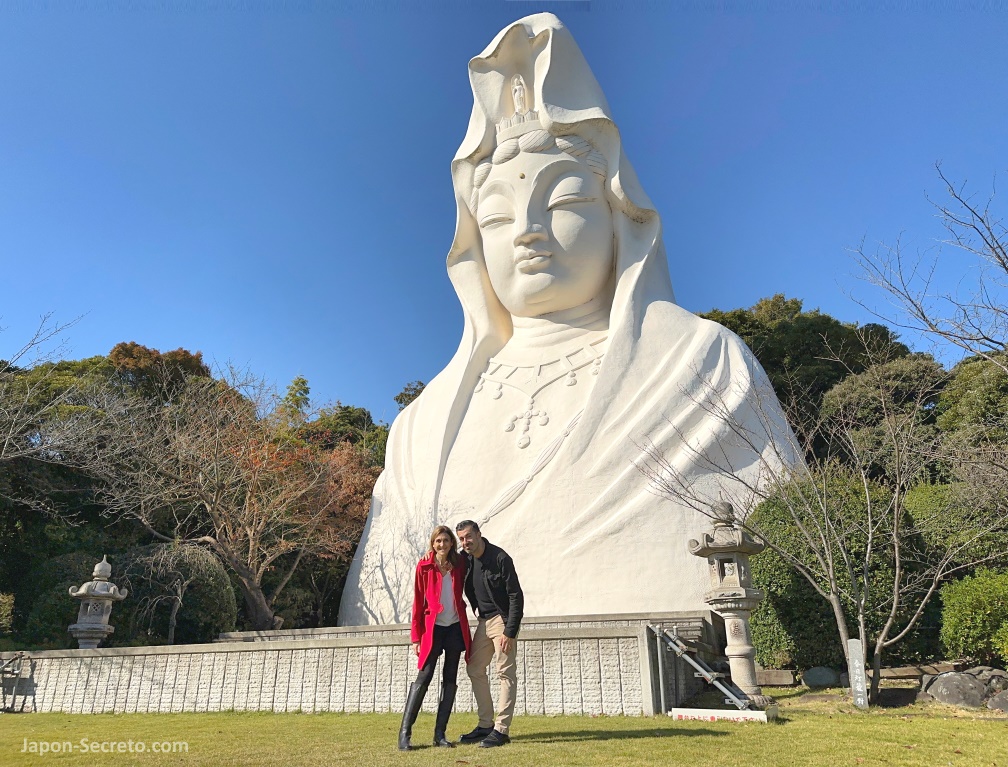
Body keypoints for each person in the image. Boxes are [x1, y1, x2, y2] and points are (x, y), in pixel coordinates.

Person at [338, 13, 794, 628]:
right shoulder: (420, 424)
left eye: (564, 200)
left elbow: (789, 529)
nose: (528, 231)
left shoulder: (702, 362)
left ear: (618, 216)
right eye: (497, 217)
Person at [399, 525, 471, 751]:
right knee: (424, 676)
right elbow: (418, 603)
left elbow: (475, 554)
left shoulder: (459, 564)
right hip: (433, 629)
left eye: (446, 541)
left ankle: (440, 734)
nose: (442, 545)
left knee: (450, 678)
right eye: (438, 541)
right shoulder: (424, 566)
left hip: (454, 628)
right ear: (433, 543)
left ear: (452, 543)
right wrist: (415, 637)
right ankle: (404, 734)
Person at [454, 519, 523, 748]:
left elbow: (515, 596)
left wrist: (510, 632)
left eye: (469, 537)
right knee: (474, 668)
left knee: (505, 672)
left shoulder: (500, 558)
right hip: (483, 621)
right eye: (462, 539)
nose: (465, 542)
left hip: (502, 621)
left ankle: (501, 730)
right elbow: (442, 557)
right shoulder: (466, 558)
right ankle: (485, 725)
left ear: (479, 534)